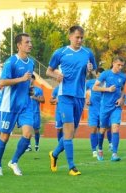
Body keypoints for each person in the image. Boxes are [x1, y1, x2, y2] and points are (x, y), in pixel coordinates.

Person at [46, 25, 97, 176]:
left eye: (82, 38)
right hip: (65, 96)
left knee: (70, 133)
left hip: (80, 96)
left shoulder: (88, 53)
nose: (80, 40)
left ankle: (54, 154)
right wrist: (56, 76)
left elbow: (94, 71)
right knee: (68, 131)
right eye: (77, 37)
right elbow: (49, 70)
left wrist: (90, 70)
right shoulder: (60, 52)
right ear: (70, 37)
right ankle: (71, 167)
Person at [0, 33, 34, 176]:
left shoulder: (31, 62)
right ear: (19, 45)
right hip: (9, 105)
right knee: (4, 137)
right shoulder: (11, 62)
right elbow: (3, 82)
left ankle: (14, 161)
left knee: (28, 134)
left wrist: (29, 89)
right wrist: (22, 79)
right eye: (27, 42)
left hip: (25, 105)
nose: (30, 44)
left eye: (30, 42)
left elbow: (27, 81)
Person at [93, 56, 126, 162]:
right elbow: (95, 87)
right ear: (113, 63)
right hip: (105, 107)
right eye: (118, 65)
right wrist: (107, 89)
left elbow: (123, 90)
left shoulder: (123, 76)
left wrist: (121, 98)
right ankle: (100, 149)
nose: (120, 67)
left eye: (122, 65)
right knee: (102, 130)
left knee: (115, 128)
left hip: (116, 107)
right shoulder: (105, 74)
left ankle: (114, 154)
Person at [85, 67, 104, 157]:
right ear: (96, 74)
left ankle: (100, 147)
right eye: (98, 75)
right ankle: (94, 150)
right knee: (93, 129)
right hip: (93, 109)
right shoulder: (90, 83)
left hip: (103, 110)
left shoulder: (106, 84)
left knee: (101, 131)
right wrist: (87, 99)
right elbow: (85, 91)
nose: (100, 77)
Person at [26, 74, 45, 152]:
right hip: (27, 112)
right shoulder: (25, 89)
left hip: (35, 112)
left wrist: (35, 98)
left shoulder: (38, 90)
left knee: (36, 130)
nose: (29, 80)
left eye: (31, 79)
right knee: (27, 129)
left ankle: (37, 144)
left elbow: (43, 100)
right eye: (28, 79)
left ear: (34, 80)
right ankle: (29, 146)